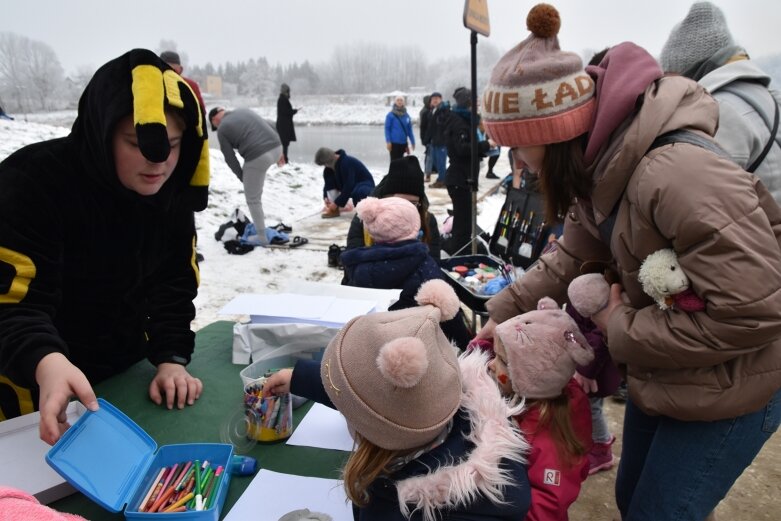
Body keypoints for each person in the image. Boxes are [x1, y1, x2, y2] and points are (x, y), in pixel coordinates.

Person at [476, 4, 781, 520]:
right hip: (669, 367)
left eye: (519, 150)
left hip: (737, 379)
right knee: (630, 499)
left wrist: (619, 326)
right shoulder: (603, 171)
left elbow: (755, 311)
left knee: (660, 512)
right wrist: (498, 313)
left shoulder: (673, 175)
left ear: (554, 136)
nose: (519, 167)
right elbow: (572, 255)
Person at [0, 49, 209, 444]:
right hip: (28, 385)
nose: (159, 163)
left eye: (174, 145)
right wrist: (47, 363)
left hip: (120, 376)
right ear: (102, 132)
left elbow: (174, 282)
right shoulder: (31, 182)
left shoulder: (169, 189)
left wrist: (170, 358)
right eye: (136, 142)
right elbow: (13, 305)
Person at [264, 280, 531, 521]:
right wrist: (301, 377)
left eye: (351, 413)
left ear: (379, 425)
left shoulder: (405, 510)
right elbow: (375, 394)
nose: (347, 415)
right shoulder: (449, 404)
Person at [659, 1, 781, 203]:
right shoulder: (767, 95)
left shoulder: (716, 111)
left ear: (687, 70)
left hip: (759, 231)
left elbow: (710, 200)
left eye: (669, 75)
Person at [487, 297, 593, 520]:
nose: (491, 364)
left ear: (533, 378)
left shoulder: (551, 440)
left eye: (502, 361)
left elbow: (548, 504)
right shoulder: (540, 393)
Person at [341, 197, 472, 348]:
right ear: (416, 229)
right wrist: (469, 346)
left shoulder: (356, 265)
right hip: (415, 353)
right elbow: (452, 324)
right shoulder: (426, 269)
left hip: (366, 348)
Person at [208, 107, 287, 246]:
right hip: (276, 147)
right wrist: (280, 151)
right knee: (256, 188)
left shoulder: (222, 129)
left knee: (253, 199)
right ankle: (262, 230)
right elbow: (271, 125)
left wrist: (242, 177)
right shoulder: (243, 110)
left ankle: (262, 238)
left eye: (214, 126)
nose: (216, 128)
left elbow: (229, 157)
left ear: (214, 119)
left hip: (258, 156)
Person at [346, 155, 441, 260]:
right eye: (399, 202)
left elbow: (434, 262)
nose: (405, 209)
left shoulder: (428, 221)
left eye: (412, 203)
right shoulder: (363, 219)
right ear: (386, 198)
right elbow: (352, 264)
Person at [442, 86, 490, 255]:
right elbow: (461, 149)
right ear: (467, 103)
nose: (477, 105)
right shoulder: (459, 122)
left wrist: (484, 149)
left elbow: (467, 150)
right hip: (459, 179)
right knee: (463, 224)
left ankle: (460, 249)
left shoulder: (464, 120)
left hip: (464, 178)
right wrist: (485, 145)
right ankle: (459, 253)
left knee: (465, 222)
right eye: (474, 102)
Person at [314, 147, 375, 219]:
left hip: (364, 185)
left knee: (358, 192)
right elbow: (327, 185)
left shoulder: (346, 162)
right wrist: (326, 197)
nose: (325, 166)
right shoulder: (329, 169)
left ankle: (363, 214)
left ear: (328, 160)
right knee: (330, 179)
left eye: (324, 164)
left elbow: (349, 185)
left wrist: (337, 203)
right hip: (350, 186)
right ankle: (334, 210)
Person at [159, 50, 205, 115]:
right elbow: (202, 112)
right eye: (166, 69)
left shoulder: (191, 85)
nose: (169, 73)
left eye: (173, 70)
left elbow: (201, 111)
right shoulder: (190, 85)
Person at [427, 92, 450, 189]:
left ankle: (442, 181)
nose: (435, 100)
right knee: (436, 163)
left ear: (441, 99)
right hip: (434, 141)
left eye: (437, 98)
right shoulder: (433, 110)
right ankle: (442, 179)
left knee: (441, 162)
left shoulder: (444, 110)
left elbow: (445, 124)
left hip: (442, 141)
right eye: (433, 99)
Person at [384, 95, 415, 161]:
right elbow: (387, 129)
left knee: (402, 162)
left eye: (401, 100)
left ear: (403, 102)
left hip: (403, 143)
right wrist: (388, 141)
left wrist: (413, 141)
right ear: (395, 102)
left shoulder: (406, 115)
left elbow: (409, 130)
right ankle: (393, 171)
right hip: (394, 143)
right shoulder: (390, 115)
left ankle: (401, 171)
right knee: (394, 162)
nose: (399, 102)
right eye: (398, 100)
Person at [275, 83, 299, 163]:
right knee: (284, 143)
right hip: (284, 126)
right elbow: (285, 111)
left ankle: (283, 160)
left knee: (284, 144)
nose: (289, 93)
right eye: (288, 91)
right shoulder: (282, 99)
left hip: (284, 125)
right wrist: (293, 111)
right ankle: (283, 160)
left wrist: (292, 111)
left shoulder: (282, 99)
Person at [419, 95, 432, 182]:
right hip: (428, 137)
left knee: (429, 155)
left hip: (429, 137)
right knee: (429, 156)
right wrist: (423, 139)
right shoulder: (425, 112)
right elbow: (423, 127)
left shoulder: (429, 110)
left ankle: (429, 172)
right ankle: (427, 173)